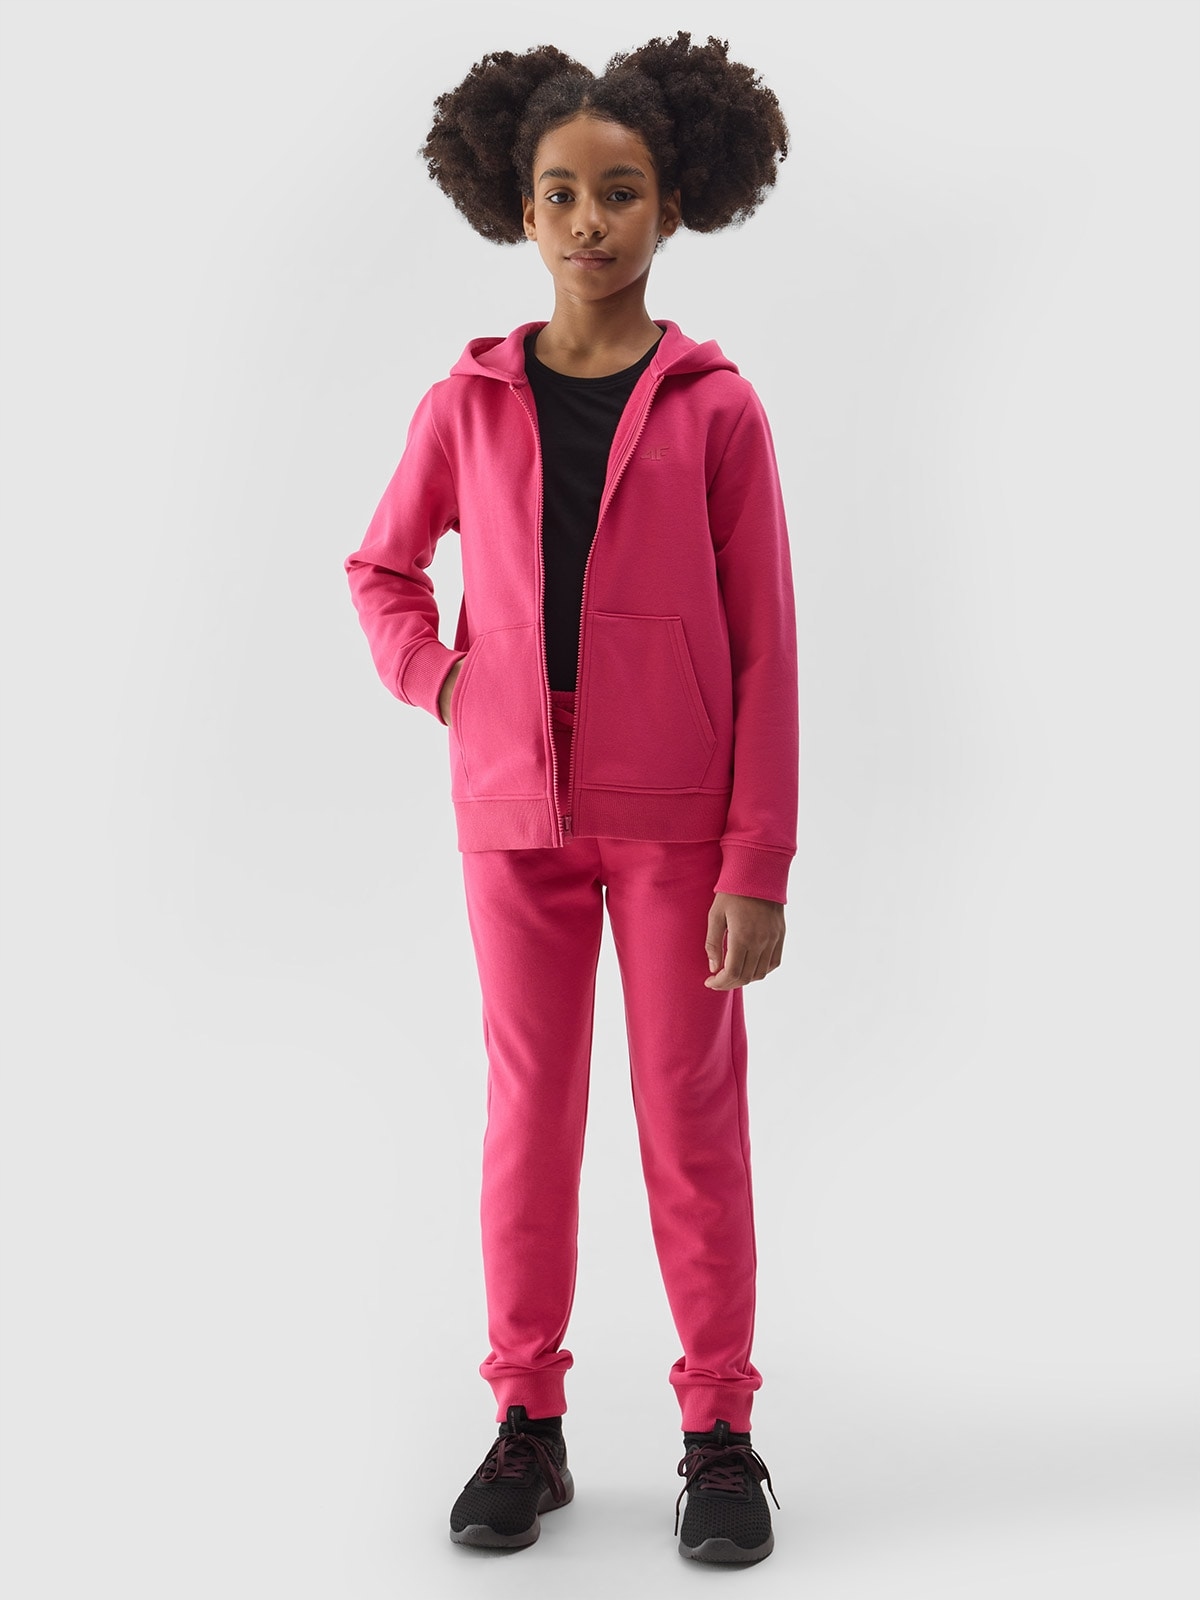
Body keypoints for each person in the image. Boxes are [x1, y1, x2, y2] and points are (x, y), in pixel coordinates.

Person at [343, 30, 797, 1566]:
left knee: (689, 1116)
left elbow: (767, 645)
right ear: (518, 207)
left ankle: (719, 1433)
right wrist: (444, 683)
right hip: (512, 814)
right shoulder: (467, 401)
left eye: (620, 191)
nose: (588, 220)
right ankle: (526, 1423)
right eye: (560, 192)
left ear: (673, 205)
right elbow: (383, 568)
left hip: (678, 819)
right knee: (529, 1115)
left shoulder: (719, 408)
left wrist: (759, 859)